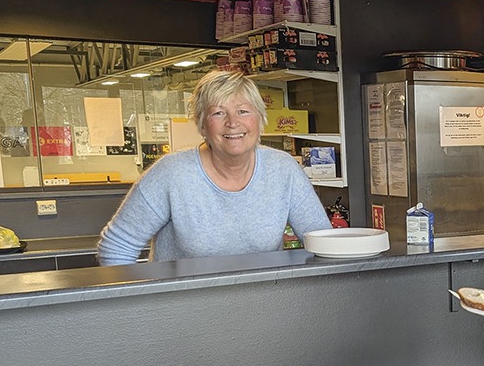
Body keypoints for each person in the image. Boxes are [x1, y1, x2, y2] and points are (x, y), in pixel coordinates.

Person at [97, 69, 328, 264]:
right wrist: (143, 303)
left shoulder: (283, 169)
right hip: (184, 303)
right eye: (218, 113)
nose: (232, 122)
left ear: (260, 119)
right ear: (202, 125)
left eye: (243, 111)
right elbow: (116, 247)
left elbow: (325, 244)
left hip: (262, 301)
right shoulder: (171, 173)